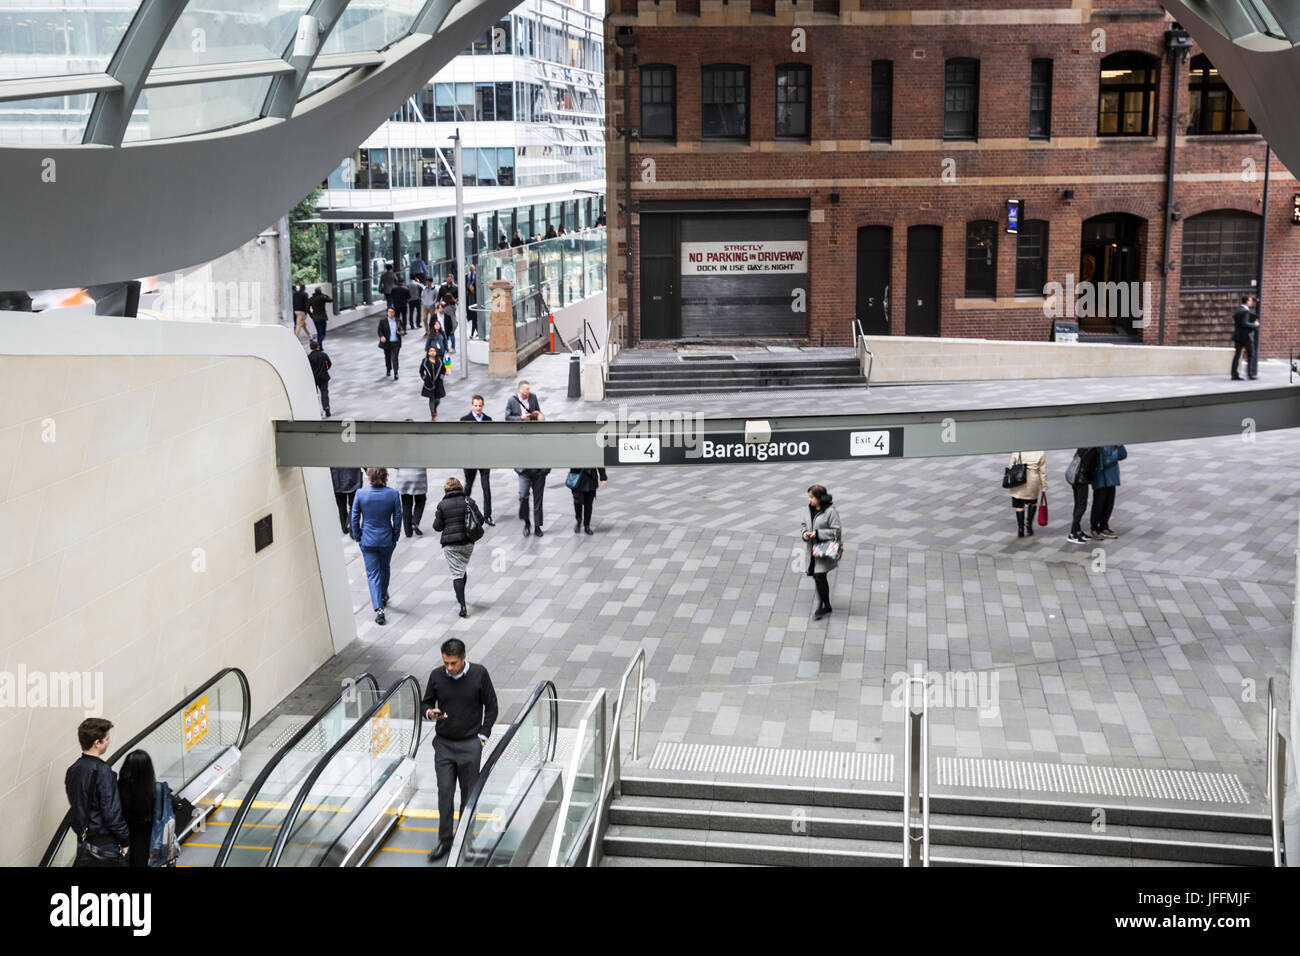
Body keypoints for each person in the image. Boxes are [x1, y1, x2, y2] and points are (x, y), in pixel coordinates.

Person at [421, 639, 498, 861]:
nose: (449, 668)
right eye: (446, 663)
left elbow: (491, 706)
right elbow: (425, 703)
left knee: (468, 797)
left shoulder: (480, 674)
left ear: (464, 658)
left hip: (469, 746)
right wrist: (429, 713)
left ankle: (466, 841)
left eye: (453, 663)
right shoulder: (436, 676)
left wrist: (482, 736)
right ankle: (444, 841)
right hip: (444, 746)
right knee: (444, 795)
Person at [65, 717, 129, 867]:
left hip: (84, 842)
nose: (109, 741)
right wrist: (125, 840)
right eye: (107, 739)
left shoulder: (72, 770)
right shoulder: (103, 772)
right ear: (97, 743)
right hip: (104, 845)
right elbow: (111, 813)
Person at [351, 467, 402, 625]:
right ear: (385, 476)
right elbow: (398, 518)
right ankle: (383, 594)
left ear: (369, 477)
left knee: (373, 574)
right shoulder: (393, 494)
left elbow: (354, 517)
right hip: (386, 539)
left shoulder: (361, 494)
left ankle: (379, 608)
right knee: (385, 568)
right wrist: (395, 536)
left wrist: (358, 536)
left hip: (368, 540)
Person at [433, 477, 483, 618]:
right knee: (461, 569)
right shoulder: (469, 501)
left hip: (450, 545)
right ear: (460, 488)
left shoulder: (442, 505)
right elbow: (481, 519)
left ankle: (462, 605)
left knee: (457, 573)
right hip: (467, 543)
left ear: (446, 489)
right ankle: (461, 595)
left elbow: (437, 527)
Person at [118, 750, 178, 868]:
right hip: (155, 844)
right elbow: (174, 807)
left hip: (129, 845)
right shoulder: (158, 790)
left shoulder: (120, 790)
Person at [802, 484, 843, 621]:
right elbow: (804, 524)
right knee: (818, 578)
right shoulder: (809, 510)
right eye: (809, 497)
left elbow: (836, 531)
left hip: (823, 551)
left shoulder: (830, 512)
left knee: (819, 576)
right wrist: (804, 534)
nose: (810, 500)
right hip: (812, 551)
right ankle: (827, 605)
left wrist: (818, 533)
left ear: (820, 498)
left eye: (812, 497)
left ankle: (822, 606)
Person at [461, 396, 495, 526]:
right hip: (470, 459)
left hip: (484, 458)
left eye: (480, 405)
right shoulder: (464, 420)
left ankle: (488, 515)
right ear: (472, 406)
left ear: (483, 406)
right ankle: (463, 512)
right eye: (476, 406)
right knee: (468, 486)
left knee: (486, 487)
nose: (478, 408)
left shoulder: (488, 420)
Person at [1090, 445, 1127, 539]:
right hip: (1101, 480)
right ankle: (1094, 528)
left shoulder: (1114, 442)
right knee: (1099, 504)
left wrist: (1118, 445)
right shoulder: (1099, 444)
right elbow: (1104, 462)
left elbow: (1123, 455)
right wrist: (1115, 454)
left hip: (1112, 479)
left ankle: (1104, 526)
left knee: (1109, 504)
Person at [1008, 450, 1047, 538]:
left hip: (1018, 481)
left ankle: (1020, 529)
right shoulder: (1041, 452)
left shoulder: (1017, 450)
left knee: (1019, 506)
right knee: (1033, 502)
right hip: (1033, 481)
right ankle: (1029, 526)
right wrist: (1044, 487)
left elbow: (1010, 466)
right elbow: (1043, 472)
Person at [1066, 447, 1100, 545]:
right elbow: (1088, 468)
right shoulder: (1093, 450)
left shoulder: (1083, 446)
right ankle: (1072, 534)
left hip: (1075, 478)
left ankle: (1078, 531)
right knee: (1081, 506)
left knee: (1077, 505)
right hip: (1082, 480)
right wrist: (1092, 477)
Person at [568, 467, 607, 534]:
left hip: (591, 478)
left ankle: (587, 525)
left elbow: (598, 460)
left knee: (588, 505)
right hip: (578, 477)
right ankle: (579, 520)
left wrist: (603, 476)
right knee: (578, 502)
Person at [1231, 294, 1259, 381]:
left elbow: (1239, 323)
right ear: (1247, 302)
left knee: (1237, 356)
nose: (1251, 302)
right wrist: (1254, 324)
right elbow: (1245, 324)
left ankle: (1234, 374)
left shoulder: (1238, 310)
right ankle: (1250, 374)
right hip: (1246, 337)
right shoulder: (1246, 311)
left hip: (1238, 336)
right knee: (1251, 354)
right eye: (1250, 301)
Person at [394, 467, 429, 537]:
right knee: (421, 500)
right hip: (418, 475)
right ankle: (415, 522)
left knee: (406, 504)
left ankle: (408, 532)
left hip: (403, 476)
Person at [419, 343, 447, 421]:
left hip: (438, 383)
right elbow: (421, 371)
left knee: (438, 399)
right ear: (428, 352)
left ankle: (434, 408)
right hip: (429, 383)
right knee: (431, 398)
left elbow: (443, 370)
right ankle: (432, 414)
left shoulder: (439, 361)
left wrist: (442, 376)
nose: (432, 352)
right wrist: (424, 378)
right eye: (430, 351)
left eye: (434, 351)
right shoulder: (425, 361)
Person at [331, 467, 362, 535]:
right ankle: (352, 528)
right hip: (353, 476)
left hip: (337, 479)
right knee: (354, 506)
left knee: (341, 506)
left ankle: (345, 527)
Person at [378, 306, 404, 380]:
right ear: (387, 313)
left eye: (392, 312)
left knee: (395, 357)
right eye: (389, 312)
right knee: (387, 357)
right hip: (387, 342)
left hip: (396, 342)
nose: (391, 313)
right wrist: (382, 336)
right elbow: (379, 331)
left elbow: (403, 330)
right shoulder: (383, 321)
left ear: (394, 313)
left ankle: (396, 373)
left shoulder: (398, 320)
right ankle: (388, 369)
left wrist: (401, 332)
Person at [308, 339, 331, 417]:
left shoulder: (309, 357)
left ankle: (317, 411)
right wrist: (325, 369)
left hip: (314, 378)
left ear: (310, 348)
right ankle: (326, 407)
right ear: (318, 347)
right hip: (324, 377)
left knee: (315, 394)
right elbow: (329, 364)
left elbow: (308, 368)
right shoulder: (323, 355)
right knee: (324, 393)